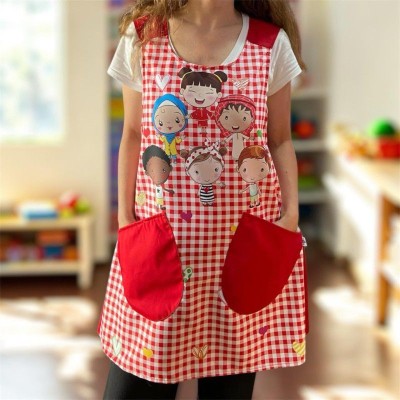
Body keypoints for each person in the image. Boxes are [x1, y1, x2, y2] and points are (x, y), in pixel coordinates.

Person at [99, 0, 308, 399]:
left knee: (229, 390)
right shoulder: (143, 36)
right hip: (160, 244)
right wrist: (125, 216)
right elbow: (133, 133)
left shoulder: (269, 43)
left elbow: (280, 139)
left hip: (241, 248)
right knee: (135, 387)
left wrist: (291, 214)